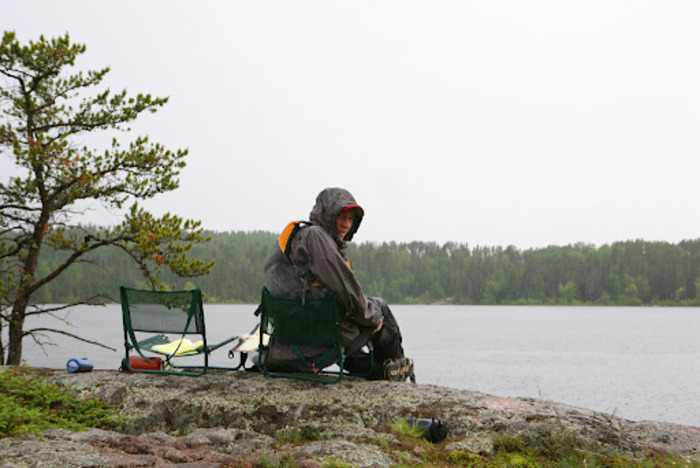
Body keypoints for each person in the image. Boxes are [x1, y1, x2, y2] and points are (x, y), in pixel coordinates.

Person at [263, 187, 414, 382]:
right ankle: (397, 366)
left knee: (357, 322)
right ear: (326, 214)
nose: (345, 224)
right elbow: (347, 290)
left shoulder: (302, 235)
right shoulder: (316, 237)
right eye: (341, 216)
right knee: (379, 308)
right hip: (314, 335)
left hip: (293, 334)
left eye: (351, 219)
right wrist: (373, 318)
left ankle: (385, 369)